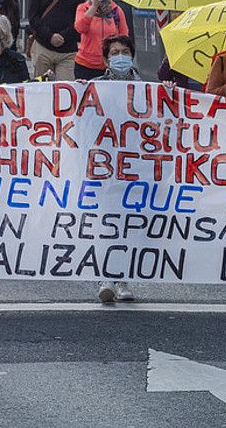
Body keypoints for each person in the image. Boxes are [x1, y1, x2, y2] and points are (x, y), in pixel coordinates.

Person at [91, 34, 144, 302]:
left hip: (135, 165)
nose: (120, 56)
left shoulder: (147, 89)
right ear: (105, 59)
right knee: (107, 220)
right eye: (114, 52)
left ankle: (122, 277)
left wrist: (168, 90)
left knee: (127, 222)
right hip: (103, 165)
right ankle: (105, 275)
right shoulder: (93, 88)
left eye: (124, 51)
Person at [27, 0, 85, 80]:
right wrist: (50, 36)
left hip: (67, 52)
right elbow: (33, 18)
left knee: (67, 88)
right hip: (43, 47)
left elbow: (80, 20)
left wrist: (63, 36)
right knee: (40, 88)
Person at [73, 0, 129, 80]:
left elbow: (124, 37)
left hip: (110, 64)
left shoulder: (116, 10)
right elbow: (80, 28)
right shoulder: (83, 8)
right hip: (86, 65)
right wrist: (94, 6)